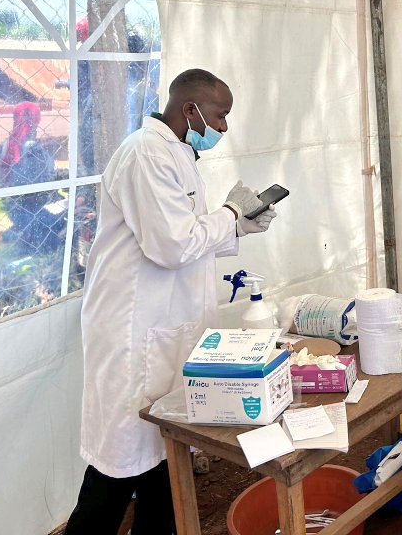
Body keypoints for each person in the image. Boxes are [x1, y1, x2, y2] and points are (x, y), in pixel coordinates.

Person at [65, 69, 278, 535]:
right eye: (220, 116)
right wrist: (230, 215)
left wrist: (238, 226)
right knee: (117, 466)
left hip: (163, 328)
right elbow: (172, 246)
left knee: (165, 453)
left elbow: (185, 236)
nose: (223, 128)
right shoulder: (145, 154)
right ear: (190, 109)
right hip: (132, 334)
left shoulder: (176, 154)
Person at [0, 100, 57, 248]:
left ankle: (22, 237)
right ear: (36, 120)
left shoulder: (9, 143)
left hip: (15, 204)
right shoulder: (31, 146)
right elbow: (43, 179)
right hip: (33, 204)